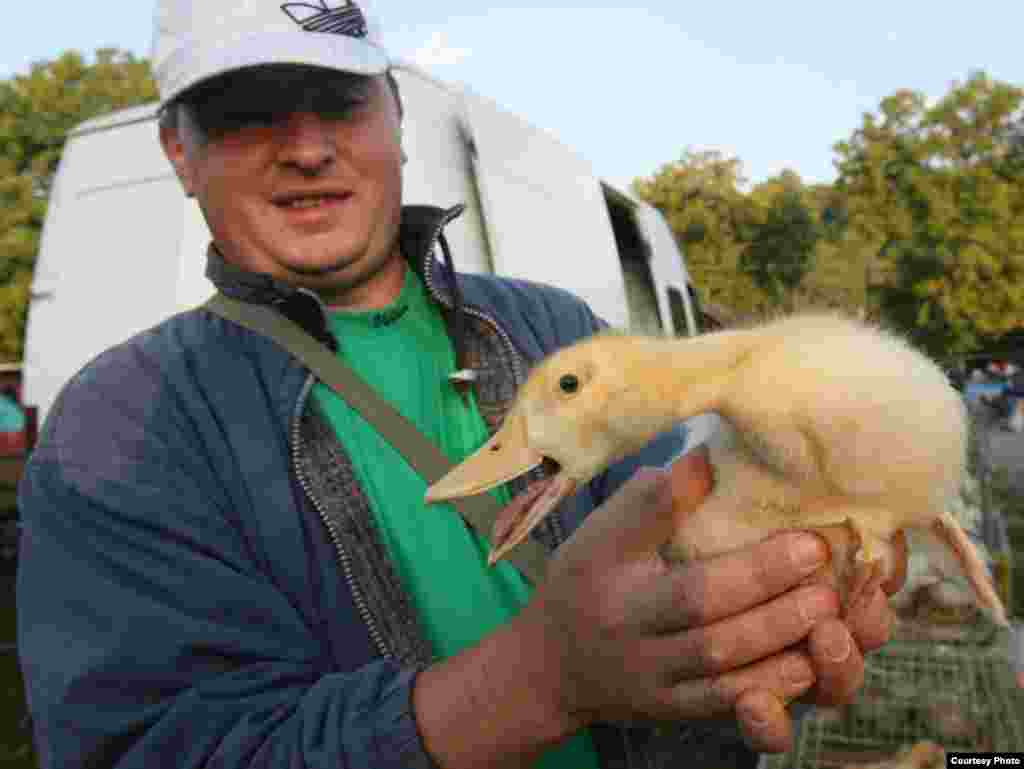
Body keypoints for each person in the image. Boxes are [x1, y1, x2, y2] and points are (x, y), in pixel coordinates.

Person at [15, 1, 897, 767]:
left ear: (393, 112)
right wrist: (538, 681)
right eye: (249, 112)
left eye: (339, 102)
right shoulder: (120, 427)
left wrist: (777, 611)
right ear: (178, 149)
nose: (310, 148)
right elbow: (149, 746)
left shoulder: (556, 331)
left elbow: (708, 539)